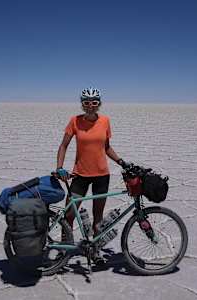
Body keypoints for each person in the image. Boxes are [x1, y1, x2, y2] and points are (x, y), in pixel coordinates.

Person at [56, 87, 128, 262]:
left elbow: (106, 147)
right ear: (82, 104)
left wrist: (120, 161)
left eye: (94, 102)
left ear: (99, 104)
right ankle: (63, 249)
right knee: (69, 214)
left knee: (98, 217)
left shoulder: (105, 121)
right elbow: (63, 145)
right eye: (86, 103)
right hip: (80, 174)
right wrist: (59, 167)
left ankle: (94, 251)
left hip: (102, 176)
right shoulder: (75, 121)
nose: (90, 106)